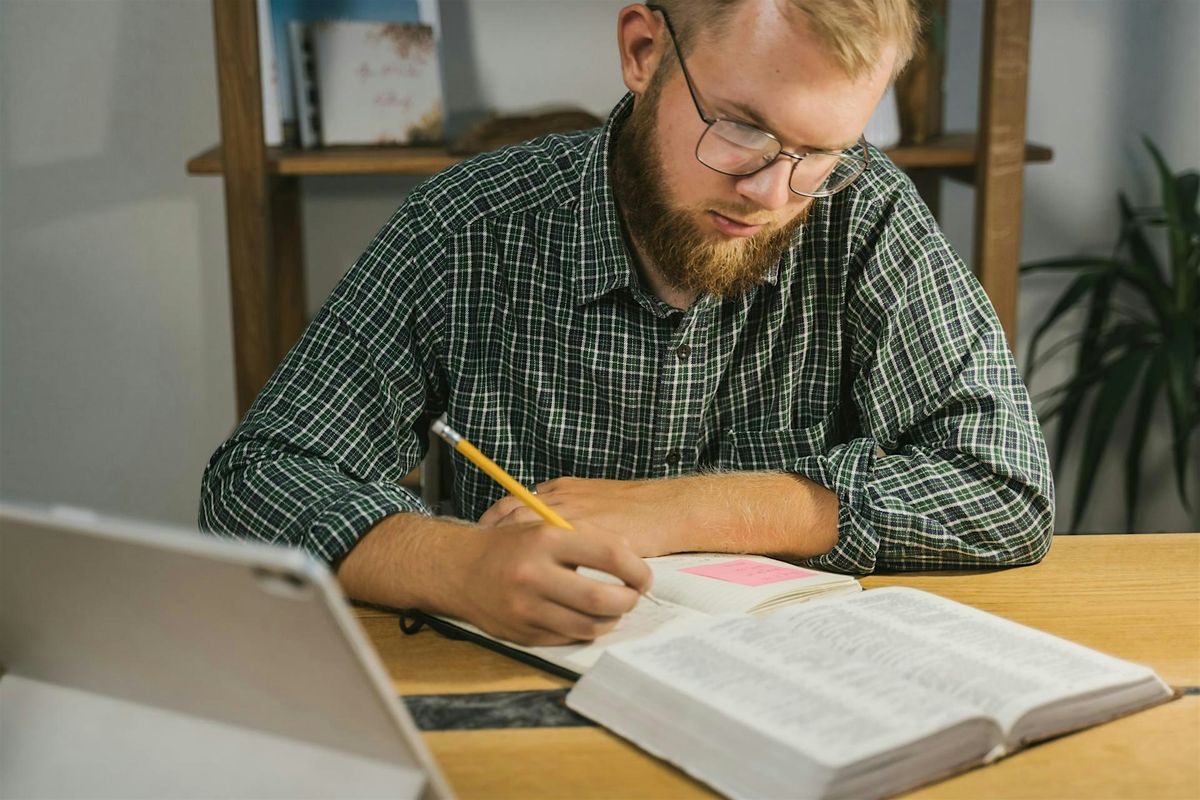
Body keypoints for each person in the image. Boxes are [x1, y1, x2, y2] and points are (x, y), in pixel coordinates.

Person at [199, 0, 1054, 646]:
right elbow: (254, 485)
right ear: (642, 51)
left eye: (822, 151)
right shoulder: (467, 228)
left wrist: (687, 509)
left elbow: (1005, 488)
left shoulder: (863, 213)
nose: (771, 192)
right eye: (742, 127)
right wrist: (459, 566)